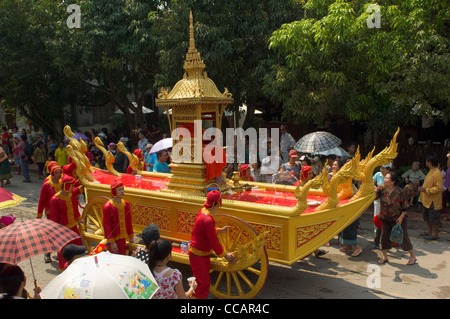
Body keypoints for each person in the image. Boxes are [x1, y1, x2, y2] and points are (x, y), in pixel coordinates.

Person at [188, 190, 235, 299]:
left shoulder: (203, 211)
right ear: (217, 204)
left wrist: (218, 230)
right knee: (203, 283)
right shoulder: (208, 219)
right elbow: (213, 241)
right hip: (198, 254)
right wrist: (225, 255)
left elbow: (205, 229)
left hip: (199, 253)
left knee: (200, 282)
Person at [376, 172, 417, 265]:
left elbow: (406, 207)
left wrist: (402, 217)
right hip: (385, 218)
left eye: (387, 178)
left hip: (398, 219)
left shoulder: (400, 191)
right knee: (384, 237)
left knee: (403, 237)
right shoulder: (381, 189)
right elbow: (373, 195)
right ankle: (385, 256)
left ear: (393, 181)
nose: (384, 179)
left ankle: (412, 256)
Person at [48, 175, 84, 271]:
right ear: (66, 186)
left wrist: (79, 218)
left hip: (73, 227)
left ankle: (76, 266)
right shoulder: (55, 199)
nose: (73, 188)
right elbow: (54, 218)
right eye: (71, 186)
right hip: (62, 231)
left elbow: (75, 208)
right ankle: (64, 270)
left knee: (78, 245)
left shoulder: (71, 194)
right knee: (64, 251)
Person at [37, 165, 62, 263]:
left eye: (60, 172)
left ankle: (59, 253)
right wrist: (39, 214)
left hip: (61, 213)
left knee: (60, 233)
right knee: (51, 233)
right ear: (52, 174)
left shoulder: (62, 184)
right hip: (50, 213)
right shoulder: (47, 185)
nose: (59, 175)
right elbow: (42, 200)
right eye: (57, 173)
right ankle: (47, 253)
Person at [102, 181, 134, 255]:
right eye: (119, 190)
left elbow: (129, 221)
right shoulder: (108, 207)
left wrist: (131, 236)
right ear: (114, 191)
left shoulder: (126, 204)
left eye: (123, 189)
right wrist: (112, 242)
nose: (122, 191)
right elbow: (107, 226)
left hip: (123, 239)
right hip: (113, 240)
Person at [418, 153, 444, 240]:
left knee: (434, 218)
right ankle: (429, 231)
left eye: (426, 161)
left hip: (433, 200)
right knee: (427, 217)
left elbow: (438, 188)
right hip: (427, 199)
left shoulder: (437, 173)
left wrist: (426, 190)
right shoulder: (431, 171)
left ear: (429, 162)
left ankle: (435, 234)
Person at [371, 163, 391, 249]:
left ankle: (386, 240)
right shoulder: (377, 175)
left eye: (384, 168)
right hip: (378, 200)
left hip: (387, 202)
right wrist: (375, 188)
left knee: (386, 220)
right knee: (377, 219)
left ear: (388, 169)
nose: (381, 170)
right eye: (381, 168)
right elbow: (372, 183)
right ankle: (376, 240)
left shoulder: (391, 177)